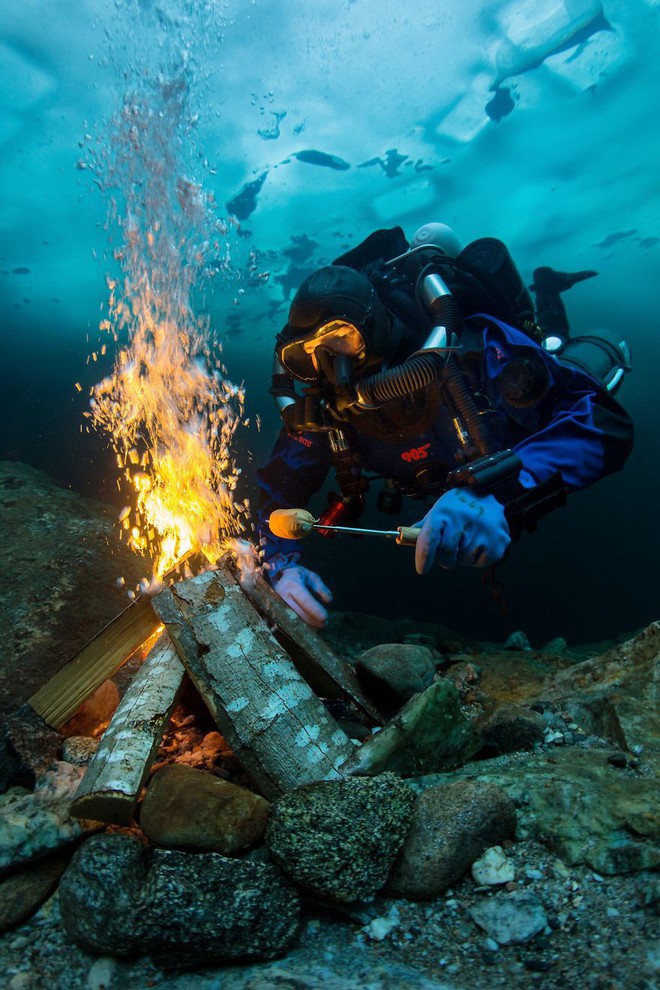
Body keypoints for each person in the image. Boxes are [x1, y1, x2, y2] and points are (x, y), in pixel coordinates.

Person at [256, 223, 634, 628]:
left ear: (375, 324)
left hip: (507, 435)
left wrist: (502, 492)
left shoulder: (472, 350)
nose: (332, 367)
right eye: (306, 356)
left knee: (555, 349)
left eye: (341, 339)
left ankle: (546, 289)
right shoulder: (328, 409)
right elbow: (279, 485)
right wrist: (277, 561)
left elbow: (605, 423)